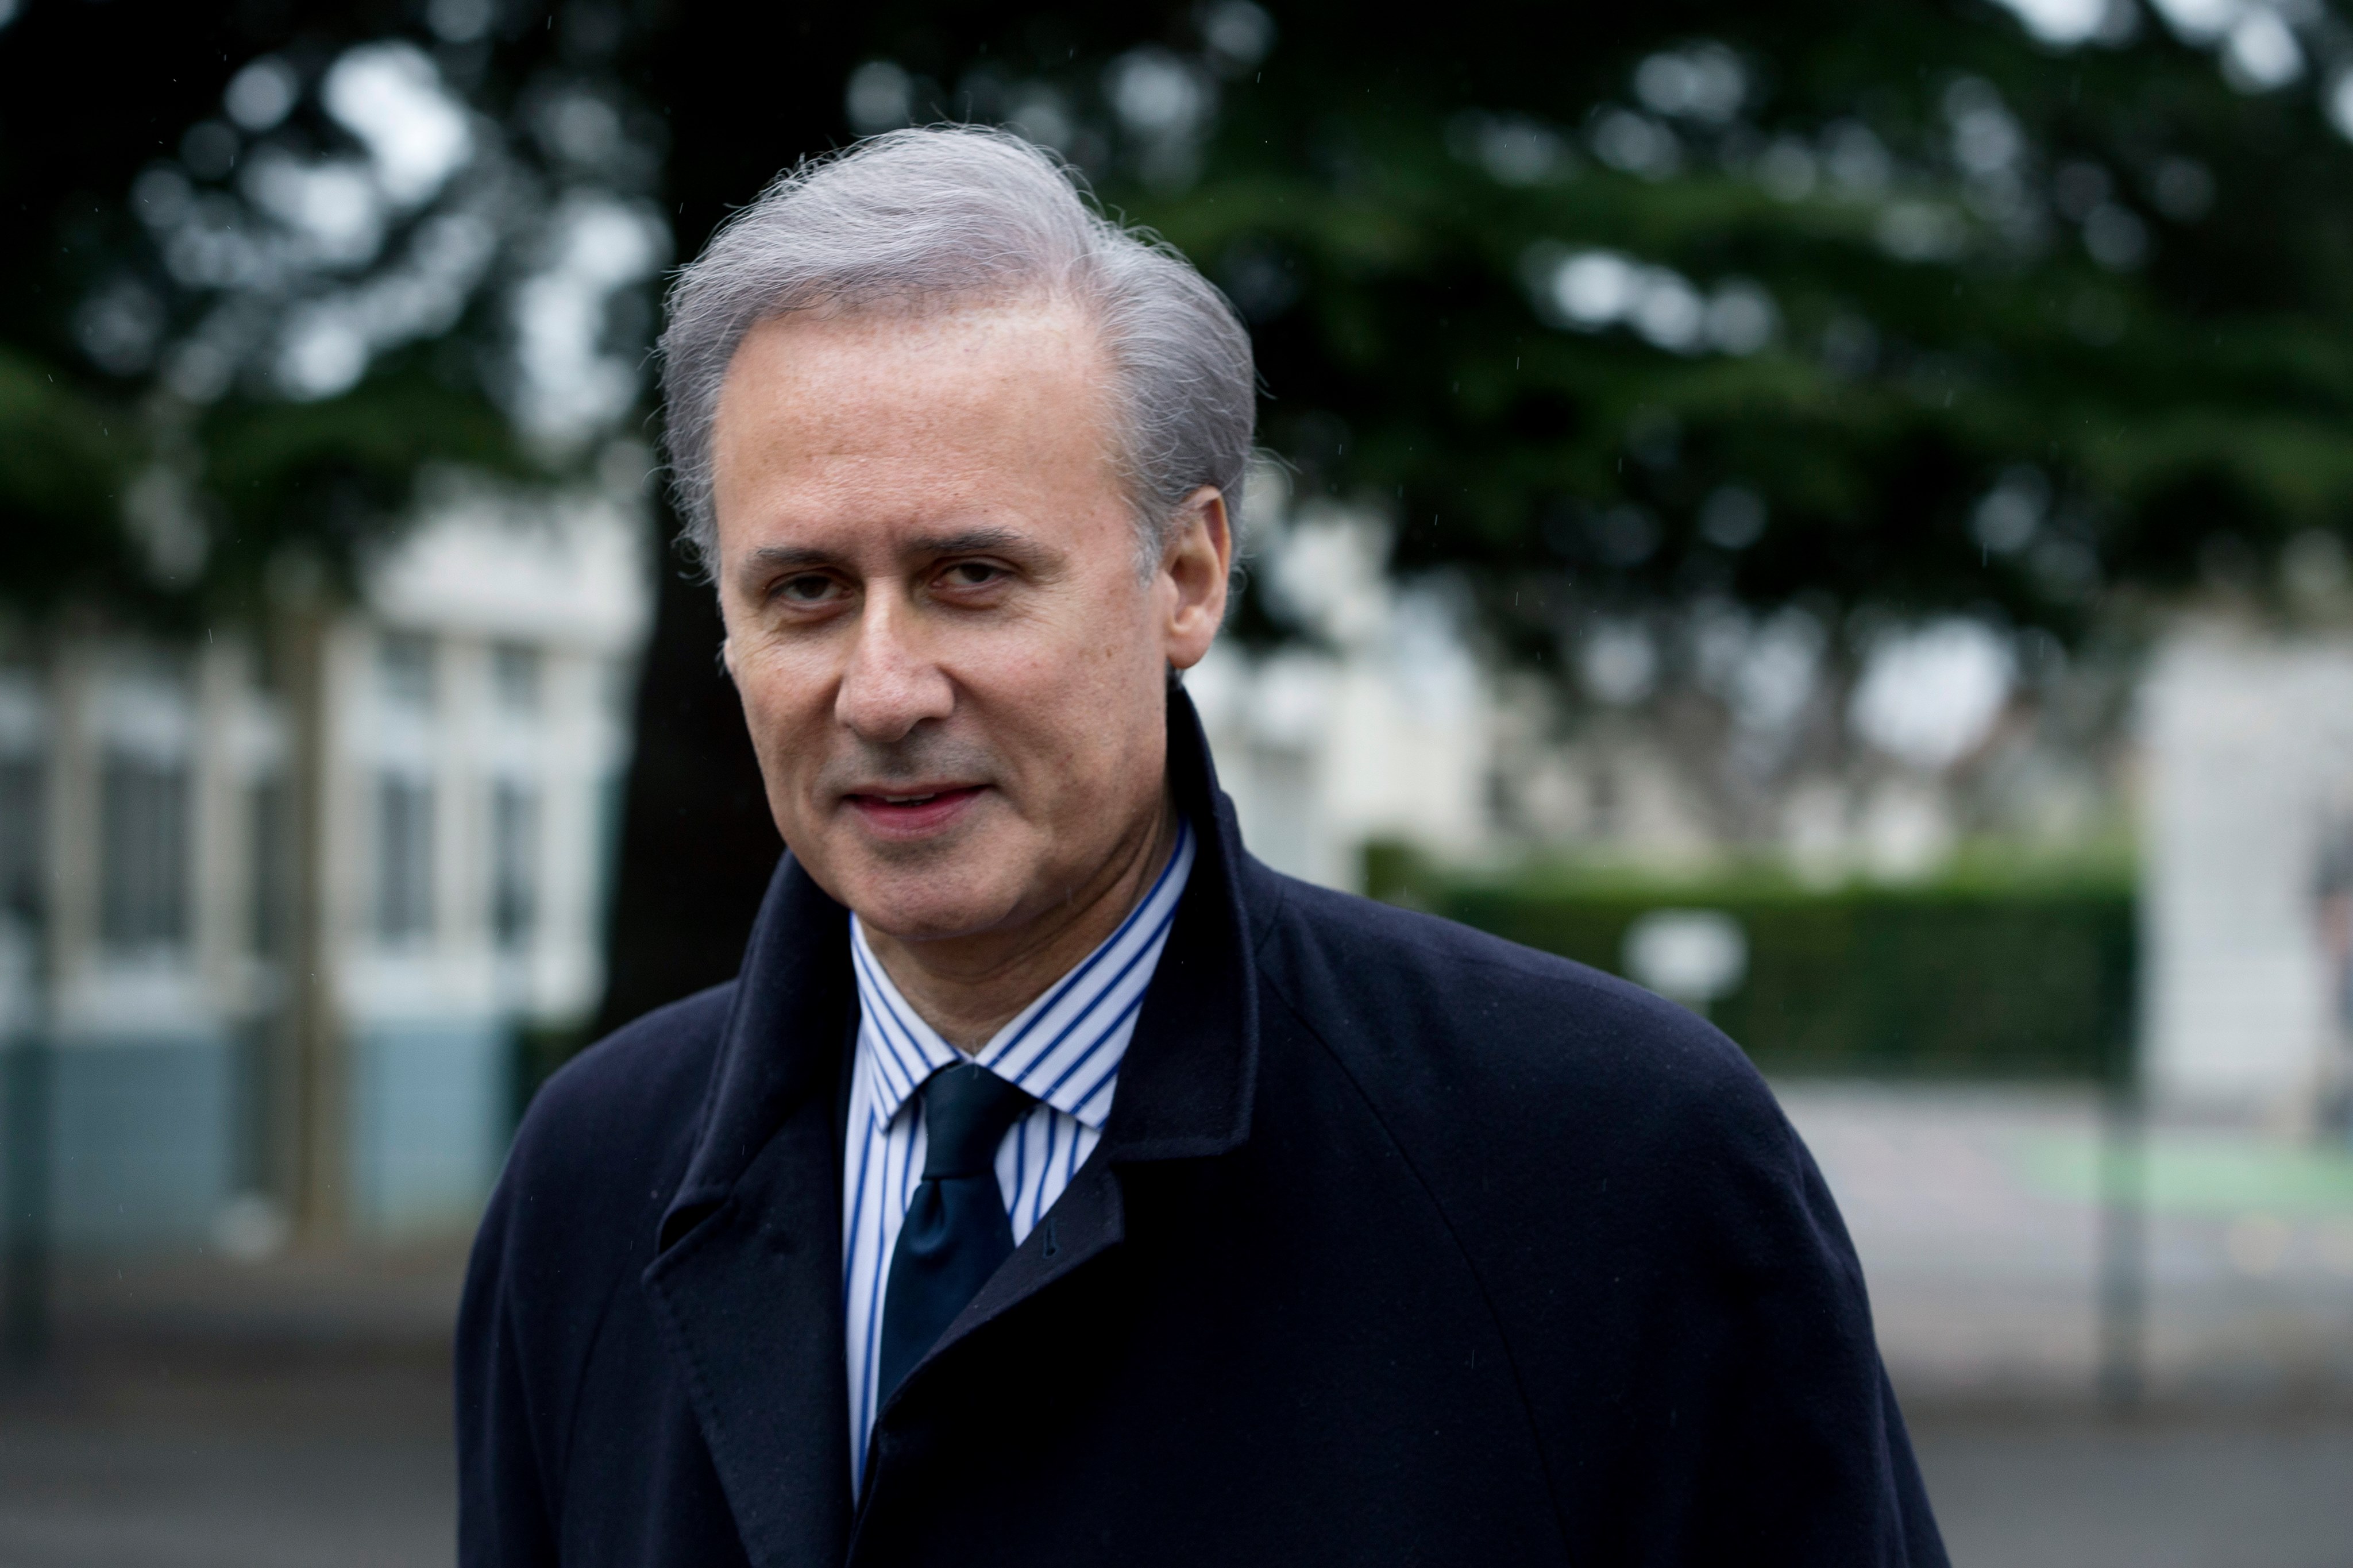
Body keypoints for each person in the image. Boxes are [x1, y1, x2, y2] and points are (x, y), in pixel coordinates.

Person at [457, 126, 1946, 1567]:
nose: (884, 688)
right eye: (804, 591)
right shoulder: (591, 1181)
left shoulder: (1615, 1167)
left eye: (971, 576)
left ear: (1187, 575)